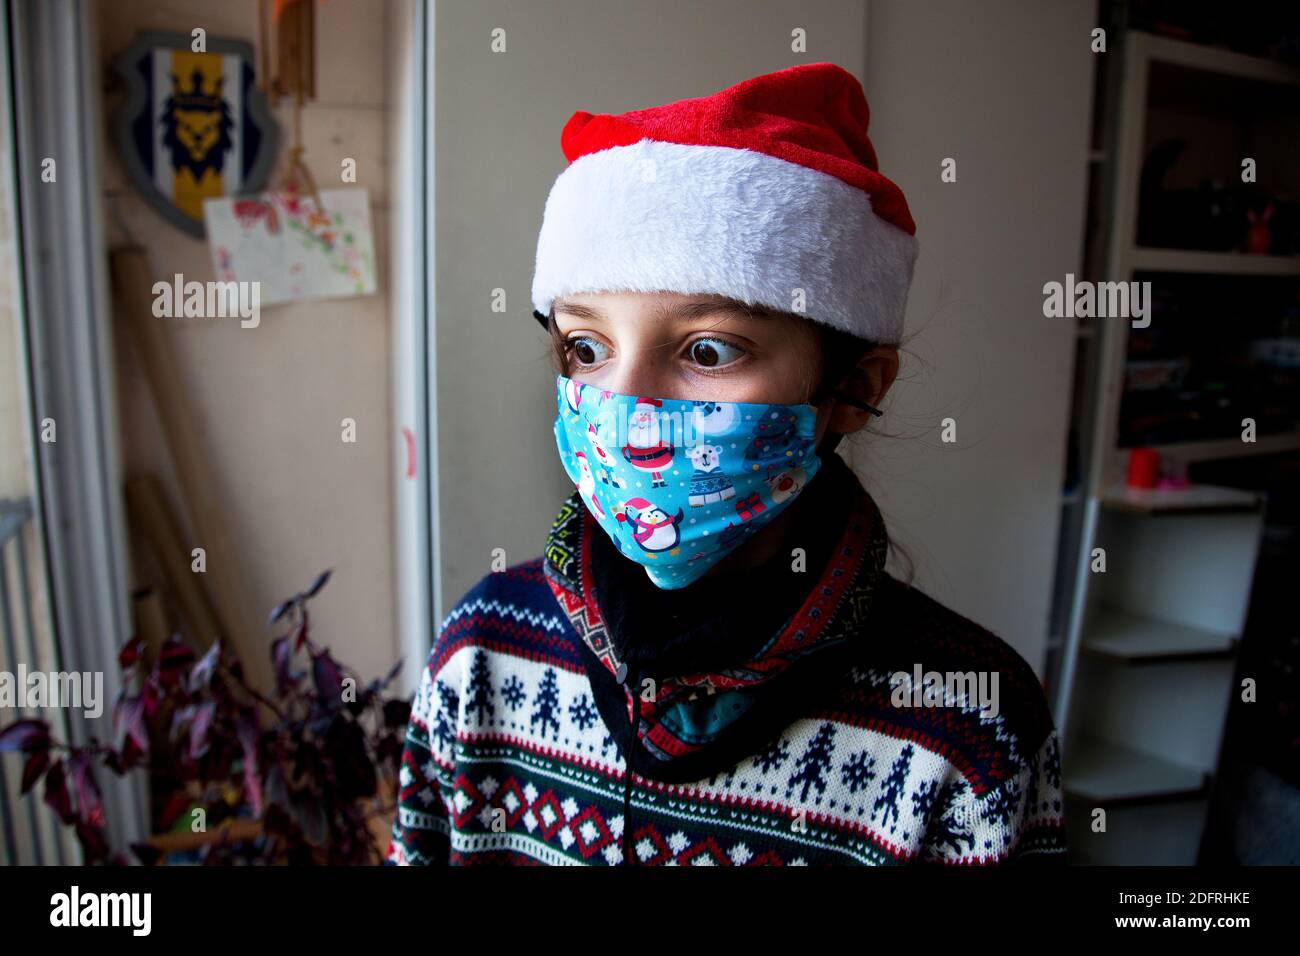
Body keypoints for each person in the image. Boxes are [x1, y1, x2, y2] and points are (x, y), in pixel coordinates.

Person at [387, 62, 1066, 866]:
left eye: (706, 350)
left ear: (851, 389)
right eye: (585, 347)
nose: (626, 404)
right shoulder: (483, 654)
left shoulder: (967, 728)